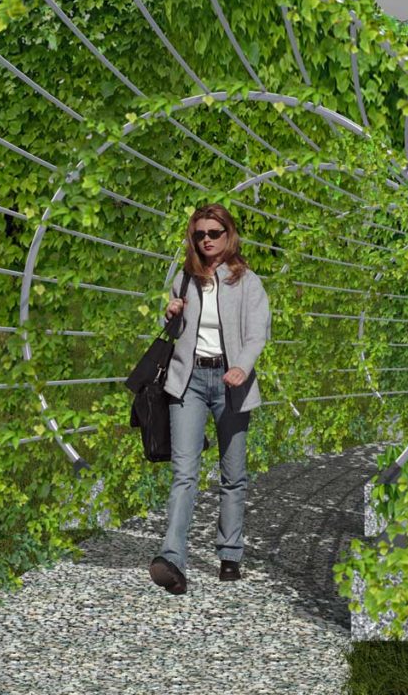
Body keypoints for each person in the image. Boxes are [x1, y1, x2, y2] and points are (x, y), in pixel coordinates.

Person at [148, 203, 271, 595]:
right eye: (200, 234)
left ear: (228, 235)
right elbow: (175, 329)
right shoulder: (185, 278)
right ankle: (172, 559)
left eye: (214, 233)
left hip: (232, 382)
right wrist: (169, 313)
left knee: (233, 477)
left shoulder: (247, 281)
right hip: (189, 383)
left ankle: (230, 554)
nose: (206, 240)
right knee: (184, 473)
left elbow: (257, 334)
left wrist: (242, 367)